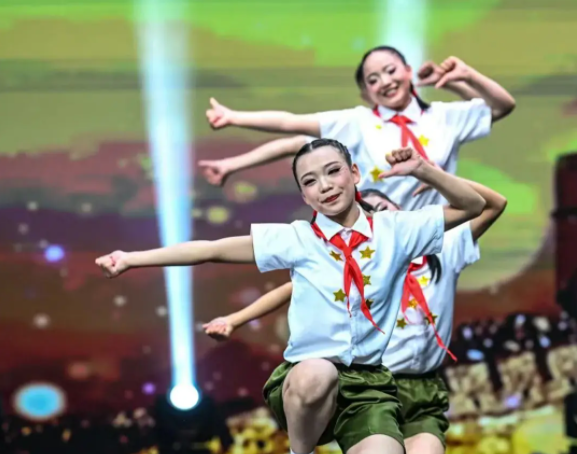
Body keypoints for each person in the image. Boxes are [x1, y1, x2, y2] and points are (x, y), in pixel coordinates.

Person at [96, 139, 485, 454]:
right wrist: (130, 259)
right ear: (304, 195)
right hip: (305, 382)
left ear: (354, 174)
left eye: (333, 171)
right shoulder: (296, 239)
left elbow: (474, 205)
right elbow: (211, 249)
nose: (325, 185)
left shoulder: (397, 230)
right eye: (311, 181)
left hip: (369, 387)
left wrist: (423, 169)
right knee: (319, 372)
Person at [204, 176, 507, 454]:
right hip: (370, 385)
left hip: (420, 389)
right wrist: (234, 320)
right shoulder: (356, 263)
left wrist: (430, 173)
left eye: (385, 208)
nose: (379, 216)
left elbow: (494, 204)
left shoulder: (445, 251)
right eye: (370, 213)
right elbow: (290, 289)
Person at [204, 47, 515, 210]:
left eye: (391, 71)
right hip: (380, 239)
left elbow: (502, 106)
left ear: (408, 71)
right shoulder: (357, 122)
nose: (385, 82)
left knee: (433, 316)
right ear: (366, 93)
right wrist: (234, 117)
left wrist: (465, 77)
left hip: (440, 237)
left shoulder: (444, 116)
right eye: (373, 80)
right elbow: (289, 124)